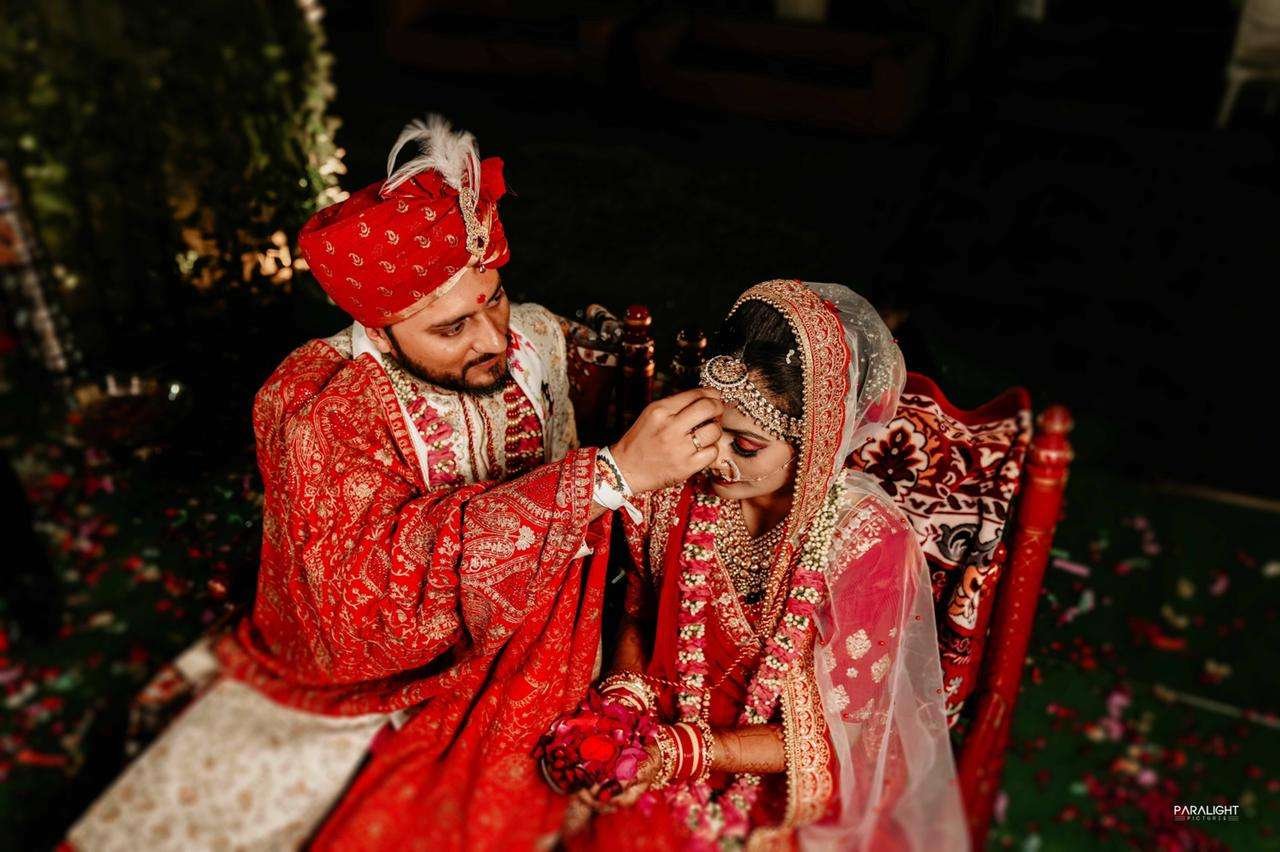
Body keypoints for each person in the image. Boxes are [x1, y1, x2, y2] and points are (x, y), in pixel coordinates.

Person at [65, 116, 723, 851]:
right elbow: (366, 600)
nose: (493, 339)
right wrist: (604, 479)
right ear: (378, 328)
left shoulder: (533, 336)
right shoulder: (322, 405)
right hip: (386, 670)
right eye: (451, 328)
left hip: (543, 629)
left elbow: (594, 397)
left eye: (494, 297)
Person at [557, 280, 969, 850]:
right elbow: (638, 613)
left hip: (785, 777)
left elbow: (842, 730)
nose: (714, 458)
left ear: (817, 444)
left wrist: (689, 751)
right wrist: (625, 704)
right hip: (662, 737)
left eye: (746, 446)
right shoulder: (672, 485)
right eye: (707, 430)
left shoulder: (866, 543)